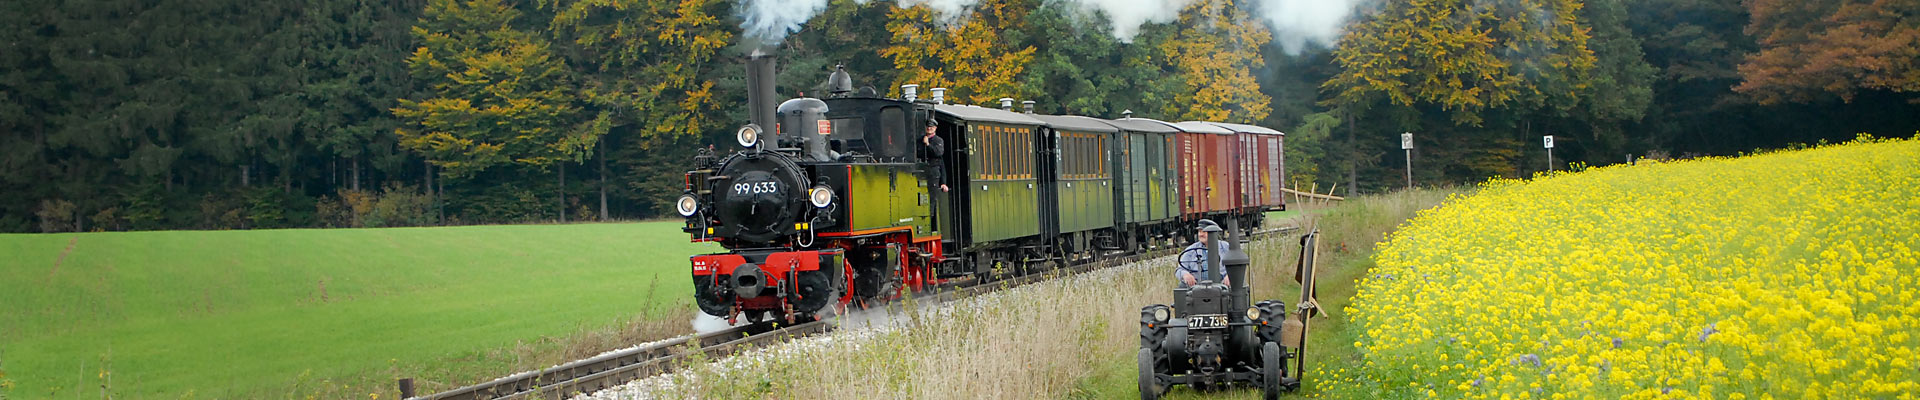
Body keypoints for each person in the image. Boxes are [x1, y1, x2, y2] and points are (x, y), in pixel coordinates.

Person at [1176, 219, 1230, 288]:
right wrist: (1185, 275)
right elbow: (1179, 269)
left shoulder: (1225, 247)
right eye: (1199, 231)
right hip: (1196, 287)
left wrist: (1230, 276)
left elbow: (1237, 266)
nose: (1201, 234)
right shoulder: (1191, 250)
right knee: (1182, 286)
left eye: (1204, 232)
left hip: (1222, 285)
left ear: (1213, 233)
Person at [920, 119, 948, 192]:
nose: (929, 128)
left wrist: (928, 144)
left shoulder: (938, 140)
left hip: (933, 172)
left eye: (931, 127)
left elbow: (938, 153)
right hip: (921, 171)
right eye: (928, 127)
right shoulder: (920, 140)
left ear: (935, 128)